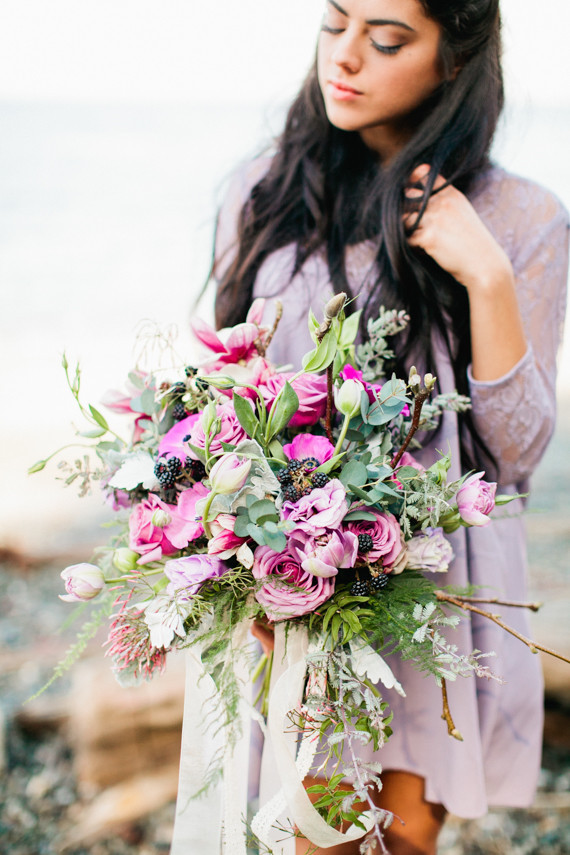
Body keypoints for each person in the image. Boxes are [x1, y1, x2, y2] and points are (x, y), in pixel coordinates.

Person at [211, 1, 569, 853]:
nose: (346, 57)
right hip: (297, 577)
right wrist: (238, 567)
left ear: (454, 60)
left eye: (385, 39)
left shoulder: (521, 216)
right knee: (313, 830)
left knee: (403, 838)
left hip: (437, 586)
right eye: (335, 24)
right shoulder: (263, 191)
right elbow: (227, 401)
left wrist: (485, 275)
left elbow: (516, 450)